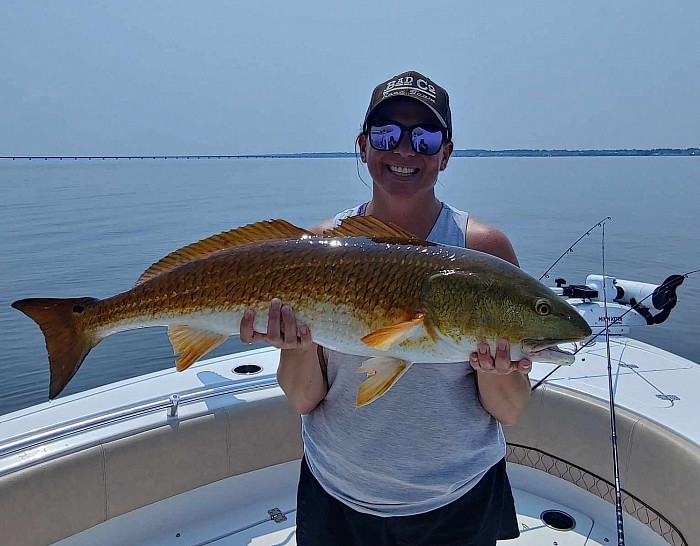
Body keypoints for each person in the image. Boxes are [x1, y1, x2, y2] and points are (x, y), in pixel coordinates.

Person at [240, 70, 531, 546]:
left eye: (425, 136)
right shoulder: (318, 247)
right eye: (387, 134)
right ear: (363, 145)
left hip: (458, 498)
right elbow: (303, 400)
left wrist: (496, 370)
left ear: (446, 153)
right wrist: (294, 345)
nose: (404, 149)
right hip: (338, 493)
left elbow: (510, 409)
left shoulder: (481, 251)